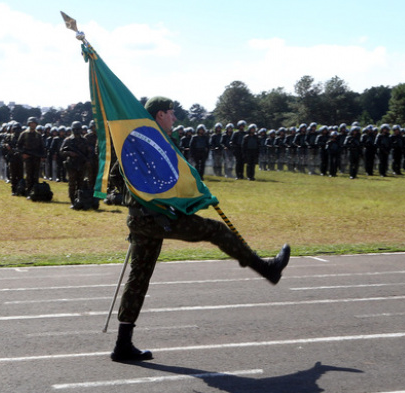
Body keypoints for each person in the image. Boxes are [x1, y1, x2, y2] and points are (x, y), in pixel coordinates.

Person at [111, 96, 290, 362]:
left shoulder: (138, 138)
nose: (174, 118)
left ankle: (123, 344)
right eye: (171, 113)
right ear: (159, 115)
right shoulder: (153, 141)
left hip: (142, 220)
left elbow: (117, 175)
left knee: (139, 278)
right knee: (216, 231)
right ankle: (266, 268)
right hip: (157, 219)